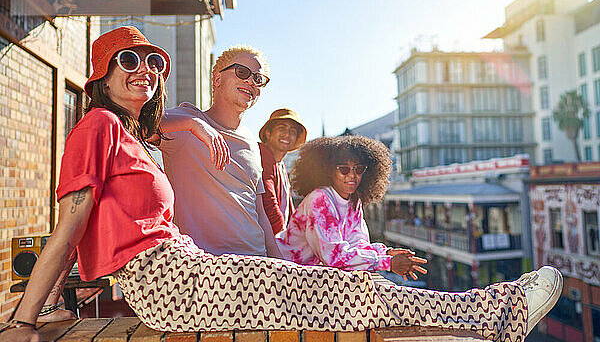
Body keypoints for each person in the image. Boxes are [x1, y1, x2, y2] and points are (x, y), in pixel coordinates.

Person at [0, 27, 562, 342]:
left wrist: (46, 304)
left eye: (154, 62)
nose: (144, 69)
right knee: (342, 297)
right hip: (169, 279)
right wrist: (26, 319)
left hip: (190, 271)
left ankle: (490, 312)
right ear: (99, 71)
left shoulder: (133, 137)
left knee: (341, 301)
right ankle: (496, 311)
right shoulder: (100, 124)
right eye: (129, 59)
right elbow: (71, 221)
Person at [155, 46, 282, 258]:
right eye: (242, 72)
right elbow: (136, 124)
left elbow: (259, 211)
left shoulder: (252, 142)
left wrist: (280, 263)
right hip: (210, 272)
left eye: (259, 79)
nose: (251, 81)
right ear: (217, 79)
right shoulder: (186, 124)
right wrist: (195, 124)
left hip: (257, 267)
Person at [276, 135, 427, 278]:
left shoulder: (354, 200)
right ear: (328, 172)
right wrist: (387, 263)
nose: (352, 176)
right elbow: (333, 255)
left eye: (359, 169)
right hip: (284, 272)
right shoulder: (319, 199)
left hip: (307, 275)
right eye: (344, 169)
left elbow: (357, 244)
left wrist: (385, 252)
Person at [258, 108, 306, 234]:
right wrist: (282, 239)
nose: (287, 134)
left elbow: (289, 209)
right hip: (266, 239)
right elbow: (268, 201)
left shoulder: (281, 165)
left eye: (292, 131)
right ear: (268, 133)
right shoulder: (262, 155)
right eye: (281, 128)